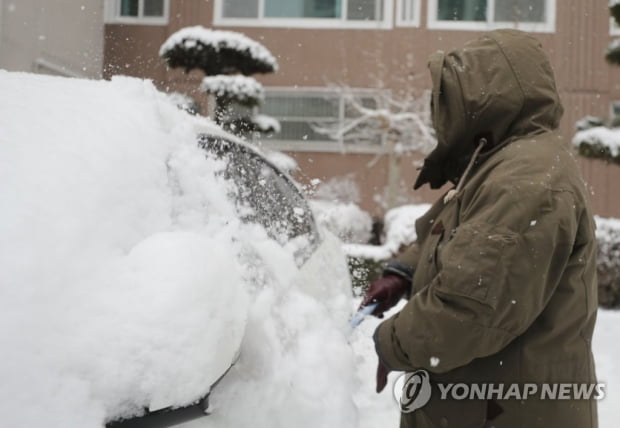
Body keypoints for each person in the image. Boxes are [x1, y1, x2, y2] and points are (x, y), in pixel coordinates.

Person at [361, 29, 598, 428]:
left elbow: (467, 310)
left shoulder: (527, 178)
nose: (443, 113)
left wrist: (390, 343)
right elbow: (463, 233)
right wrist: (403, 271)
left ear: (486, 97)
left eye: (452, 98)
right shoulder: (506, 161)